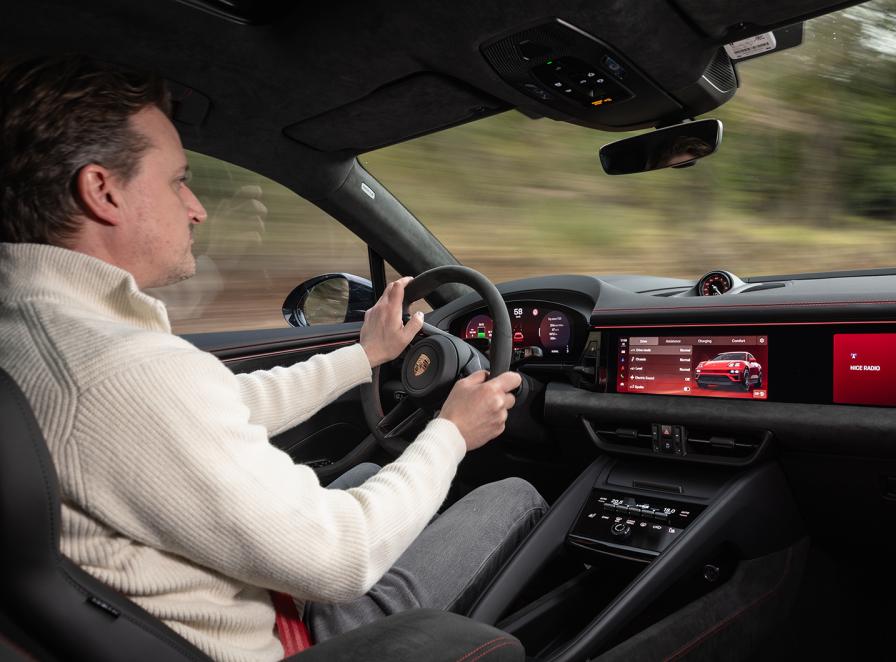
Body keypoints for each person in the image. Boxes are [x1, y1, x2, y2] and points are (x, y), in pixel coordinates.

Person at [0, 55, 546, 662]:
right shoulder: (118, 369)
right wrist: (451, 432)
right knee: (515, 493)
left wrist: (365, 356)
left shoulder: (33, 330)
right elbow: (343, 557)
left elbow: (220, 403)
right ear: (103, 191)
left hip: (174, 611)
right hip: (271, 644)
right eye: (178, 180)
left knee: (367, 477)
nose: (196, 207)